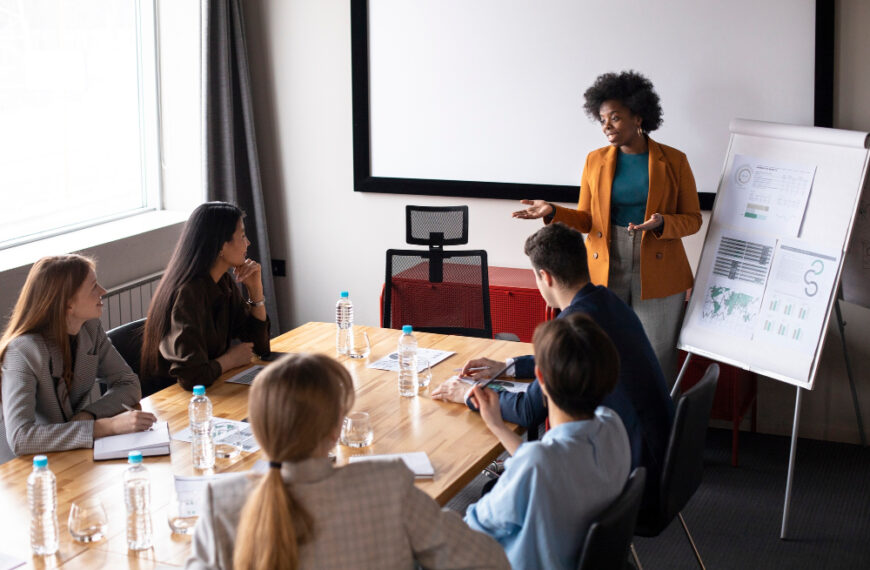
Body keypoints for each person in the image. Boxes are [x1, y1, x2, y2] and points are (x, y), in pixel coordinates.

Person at [185, 353, 509, 570]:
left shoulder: (221, 502)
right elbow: (488, 562)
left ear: (256, 426)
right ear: (337, 426)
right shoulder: (386, 487)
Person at [433, 222, 673, 510]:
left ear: (544, 277)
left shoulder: (574, 320)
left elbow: (528, 410)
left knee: (497, 490)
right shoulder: (607, 301)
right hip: (661, 461)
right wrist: (507, 365)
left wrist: (467, 394)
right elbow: (575, 353)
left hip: (633, 478)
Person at [512, 70, 702, 380]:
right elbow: (587, 220)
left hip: (659, 270)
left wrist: (662, 223)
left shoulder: (674, 161)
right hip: (605, 267)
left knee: (656, 356)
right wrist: (553, 211)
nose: (606, 126)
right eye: (602, 119)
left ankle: (659, 426)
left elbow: (693, 219)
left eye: (615, 117)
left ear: (638, 117)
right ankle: (608, 424)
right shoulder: (594, 161)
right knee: (603, 352)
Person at [464, 313, 631, 569]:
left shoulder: (538, 464)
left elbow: (472, 528)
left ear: (539, 378)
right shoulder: (612, 425)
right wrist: (497, 426)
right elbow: (546, 465)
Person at [0, 255, 155, 463]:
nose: (103, 291)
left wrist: (89, 415)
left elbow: (128, 383)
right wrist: (106, 426)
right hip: (24, 467)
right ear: (67, 304)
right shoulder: (22, 351)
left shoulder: (90, 329)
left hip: (69, 453)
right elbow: (21, 438)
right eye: (93, 287)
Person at [140, 202, 270, 394]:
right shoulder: (188, 293)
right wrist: (229, 361)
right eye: (242, 236)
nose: (248, 243)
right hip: (175, 400)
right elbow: (191, 378)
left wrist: (256, 291)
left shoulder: (222, 281)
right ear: (220, 245)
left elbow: (260, 347)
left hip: (209, 389)